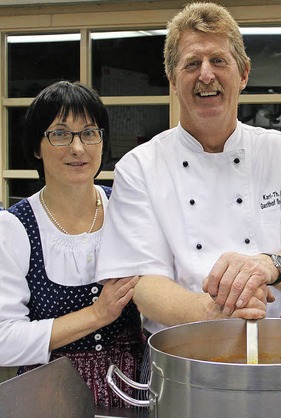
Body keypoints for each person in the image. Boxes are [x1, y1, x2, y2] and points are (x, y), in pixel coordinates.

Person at [95, 1, 281, 343]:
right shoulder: (140, 167)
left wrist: (268, 265)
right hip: (179, 353)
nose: (206, 74)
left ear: (244, 73)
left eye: (218, 60)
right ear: (172, 81)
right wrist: (214, 312)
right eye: (191, 63)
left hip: (273, 342)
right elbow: (143, 282)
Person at [0, 81, 144, 407]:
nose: (77, 148)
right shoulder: (15, 227)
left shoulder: (128, 212)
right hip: (50, 395)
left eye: (89, 133)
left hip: (133, 388)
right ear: (37, 146)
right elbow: (4, 340)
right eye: (60, 134)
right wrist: (97, 314)